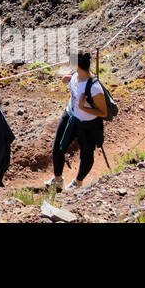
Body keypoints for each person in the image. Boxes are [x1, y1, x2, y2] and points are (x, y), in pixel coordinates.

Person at [45, 52, 107, 191]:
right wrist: (67, 78)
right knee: (57, 147)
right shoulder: (75, 75)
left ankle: (78, 182)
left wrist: (83, 107)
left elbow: (103, 113)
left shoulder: (95, 88)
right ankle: (57, 179)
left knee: (86, 154)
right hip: (70, 115)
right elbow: (69, 79)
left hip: (88, 124)